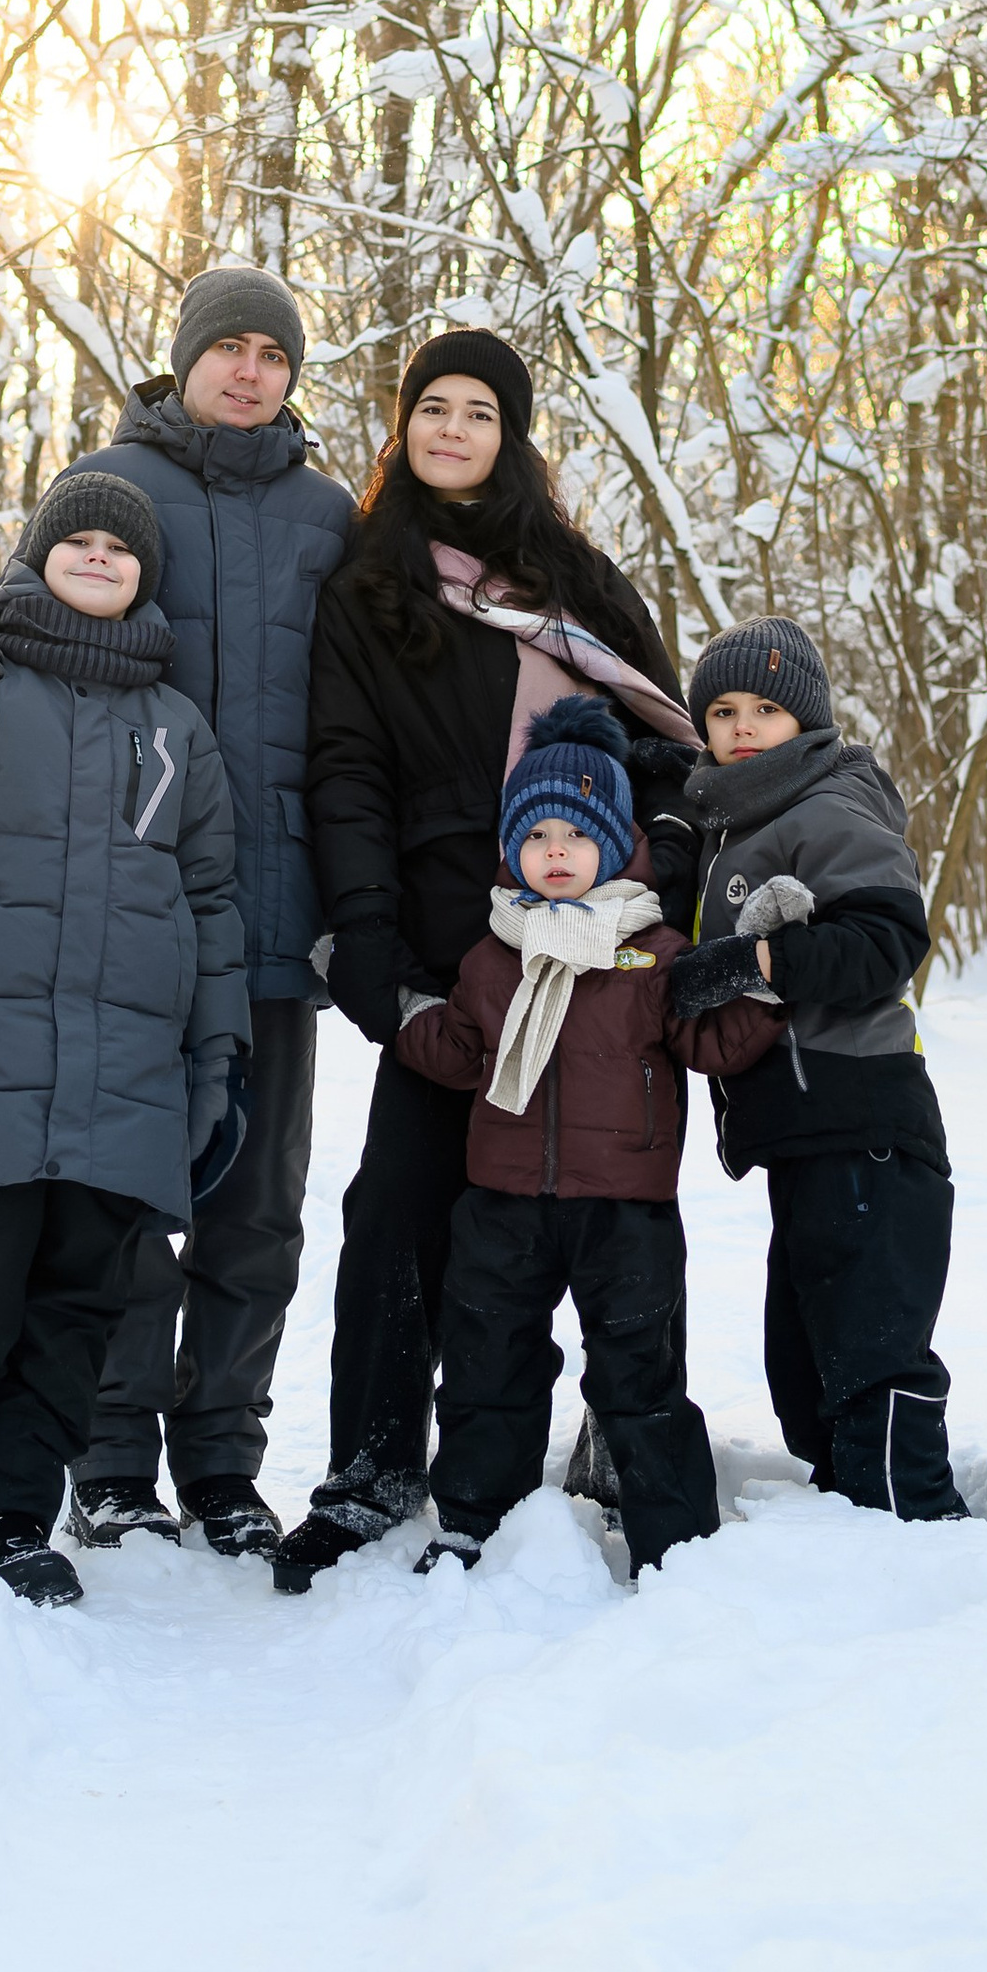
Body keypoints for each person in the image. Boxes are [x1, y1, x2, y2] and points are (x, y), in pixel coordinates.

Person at [0, 265, 352, 1560]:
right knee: (124, 1202)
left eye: (273, 353)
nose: (250, 370)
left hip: (278, 923)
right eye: (230, 347)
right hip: (121, 926)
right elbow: (17, 618)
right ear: (186, 357)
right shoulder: (112, 485)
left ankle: (223, 1461)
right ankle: (109, 1460)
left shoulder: (330, 515)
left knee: (255, 1209)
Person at [282, 326, 696, 1591]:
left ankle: (621, 1436)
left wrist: (668, 874)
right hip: (451, 941)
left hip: (599, 952)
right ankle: (372, 1466)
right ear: (402, 425)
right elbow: (347, 768)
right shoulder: (369, 584)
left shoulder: (575, 579)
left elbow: (663, 740)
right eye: (433, 407)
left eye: (479, 411)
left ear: (509, 436)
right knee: (399, 1204)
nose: (452, 429)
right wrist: (367, 935)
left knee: (611, 1209)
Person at [0, 470, 251, 1606]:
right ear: (36, 557)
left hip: (127, 1083)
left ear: (145, 577)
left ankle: (7, 1518)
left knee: (71, 1321)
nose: (99, 554)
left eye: (122, 546)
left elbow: (210, 905)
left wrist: (216, 1061)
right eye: (78, 539)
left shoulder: (178, 730)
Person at [392, 692, 720, 1574]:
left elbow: (707, 1039)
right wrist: (400, 1008)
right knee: (487, 1365)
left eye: (576, 833)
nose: (557, 851)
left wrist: (756, 978)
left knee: (639, 1374)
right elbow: (460, 1048)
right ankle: (475, 1521)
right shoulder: (493, 955)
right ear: (513, 849)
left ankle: (676, 1543)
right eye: (536, 835)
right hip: (504, 1203)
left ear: (614, 841)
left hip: (625, 1207)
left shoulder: (653, 952)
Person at [658, 614, 970, 1523]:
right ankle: (850, 1516)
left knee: (869, 1348)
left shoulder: (827, 803)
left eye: (765, 708)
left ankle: (916, 1525)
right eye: (722, 710)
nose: (743, 726)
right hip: (805, 1133)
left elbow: (888, 936)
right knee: (803, 1359)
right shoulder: (736, 819)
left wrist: (753, 961)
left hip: (864, 1117)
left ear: (807, 717)